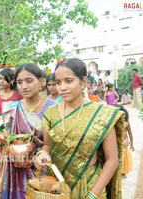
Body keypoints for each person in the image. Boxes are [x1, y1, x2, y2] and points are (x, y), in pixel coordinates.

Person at [35, 58, 124, 199]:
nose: (62, 87)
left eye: (68, 81)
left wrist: (92, 195)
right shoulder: (50, 113)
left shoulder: (101, 114)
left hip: (90, 185)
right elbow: (46, 145)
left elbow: (112, 159)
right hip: (57, 187)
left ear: (83, 82)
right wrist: (42, 155)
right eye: (58, 82)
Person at [0, 63, 56, 199]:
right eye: (19, 82)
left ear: (41, 82)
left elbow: (56, 142)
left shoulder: (53, 108)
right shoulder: (11, 108)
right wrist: (4, 140)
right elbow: (7, 143)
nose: (24, 86)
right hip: (15, 168)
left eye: (29, 81)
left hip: (42, 167)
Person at [118, 106, 134, 179]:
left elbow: (130, 134)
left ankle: (122, 171)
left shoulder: (127, 123)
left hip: (124, 141)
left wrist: (132, 144)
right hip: (117, 141)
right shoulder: (116, 121)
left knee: (123, 156)